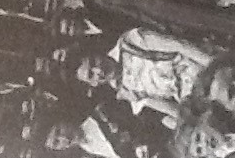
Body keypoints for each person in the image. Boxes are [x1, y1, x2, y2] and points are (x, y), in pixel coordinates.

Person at [75, 26, 222, 128]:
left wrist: (217, 65)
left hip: (198, 67)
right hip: (194, 98)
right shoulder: (125, 92)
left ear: (97, 53)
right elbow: (168, 108)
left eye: (94, 62)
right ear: (93, 84)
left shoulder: (129, 42)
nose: (98, 70)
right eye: (91, 74)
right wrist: (198, 121)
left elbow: (179, 46)